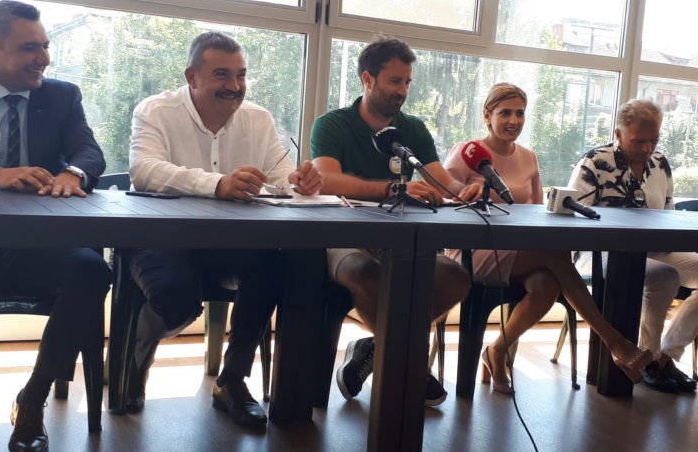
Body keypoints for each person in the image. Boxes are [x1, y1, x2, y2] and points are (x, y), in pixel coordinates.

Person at [0, 0, 111, 452]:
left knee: (92, 271)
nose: (44, 59)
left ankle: (32, 399)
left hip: (42, 244)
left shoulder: (62, 96)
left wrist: (72, 173)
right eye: (29, 48)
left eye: (46, 46)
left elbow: (90, 152)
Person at [128, 31, 322, 429]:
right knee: (176, 298)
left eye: (241, 75)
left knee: (277, 266)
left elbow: (282, 177)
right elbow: (143, 170)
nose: (234, 86)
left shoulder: (259, 118)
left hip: (233, 243)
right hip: (165, 238)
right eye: (222, 74)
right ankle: (135, 353)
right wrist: (216, 184)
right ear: (192, 77)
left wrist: (300, 182)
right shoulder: (156, 110)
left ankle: (232, 380)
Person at [443, 83, 653, 393]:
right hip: (473, 252)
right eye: (505, 113)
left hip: (519, 251)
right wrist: (465, 195)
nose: (514, 120)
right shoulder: (467, 153)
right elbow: (443, 200)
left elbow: (536, 212)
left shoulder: (528, 157)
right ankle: (616, 343)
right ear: (487, 115)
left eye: (520, 113)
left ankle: (497, 350)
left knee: (548, 283)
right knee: (554, 256)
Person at [310, 36, 482, 406]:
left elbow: (441, 180)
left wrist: (464, 189)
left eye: (407, 82)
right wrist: (393, 189)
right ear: (367, 79)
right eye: (394, 81)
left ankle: (377, 347)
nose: (402, 91)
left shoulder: (412, 129)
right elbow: (326, 179)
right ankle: (408, 363)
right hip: (344, 237)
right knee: (366, 271)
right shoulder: (333, 124)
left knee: (456, 278)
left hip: (402, 241)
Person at [569, 99, 698, 393]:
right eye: (638, 141)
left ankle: (666, 356)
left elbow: (667, 214)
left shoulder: (660, 164)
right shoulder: (593, 162)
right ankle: (648, 359)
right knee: (663, 275)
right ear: (618, 134)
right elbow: (574, 218)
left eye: (654, 140)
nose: (647, 148)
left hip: (654, 250)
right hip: (598, 253)